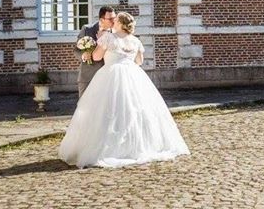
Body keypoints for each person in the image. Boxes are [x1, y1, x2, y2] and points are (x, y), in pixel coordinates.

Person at [59, 12, 190, 168]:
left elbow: (96, 57)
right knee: (133, 110)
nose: (113, 22)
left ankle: (108, 147)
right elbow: (139, 61)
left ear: (120, 23)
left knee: (108, 111)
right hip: (133, 75)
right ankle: (137, 146)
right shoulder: (135, 41)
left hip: (111, 74)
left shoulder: (109, 38)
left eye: (116, 21)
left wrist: (94, 47)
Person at [74, 6, 116, 98]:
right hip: (88, 77)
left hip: (107, 79)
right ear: (102, 19)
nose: (114, 21)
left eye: (114, 18)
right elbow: (76, 50)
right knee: (84, 109)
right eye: (111, 19)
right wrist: (83, 55)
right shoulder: (87, 29)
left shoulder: (116, 33)